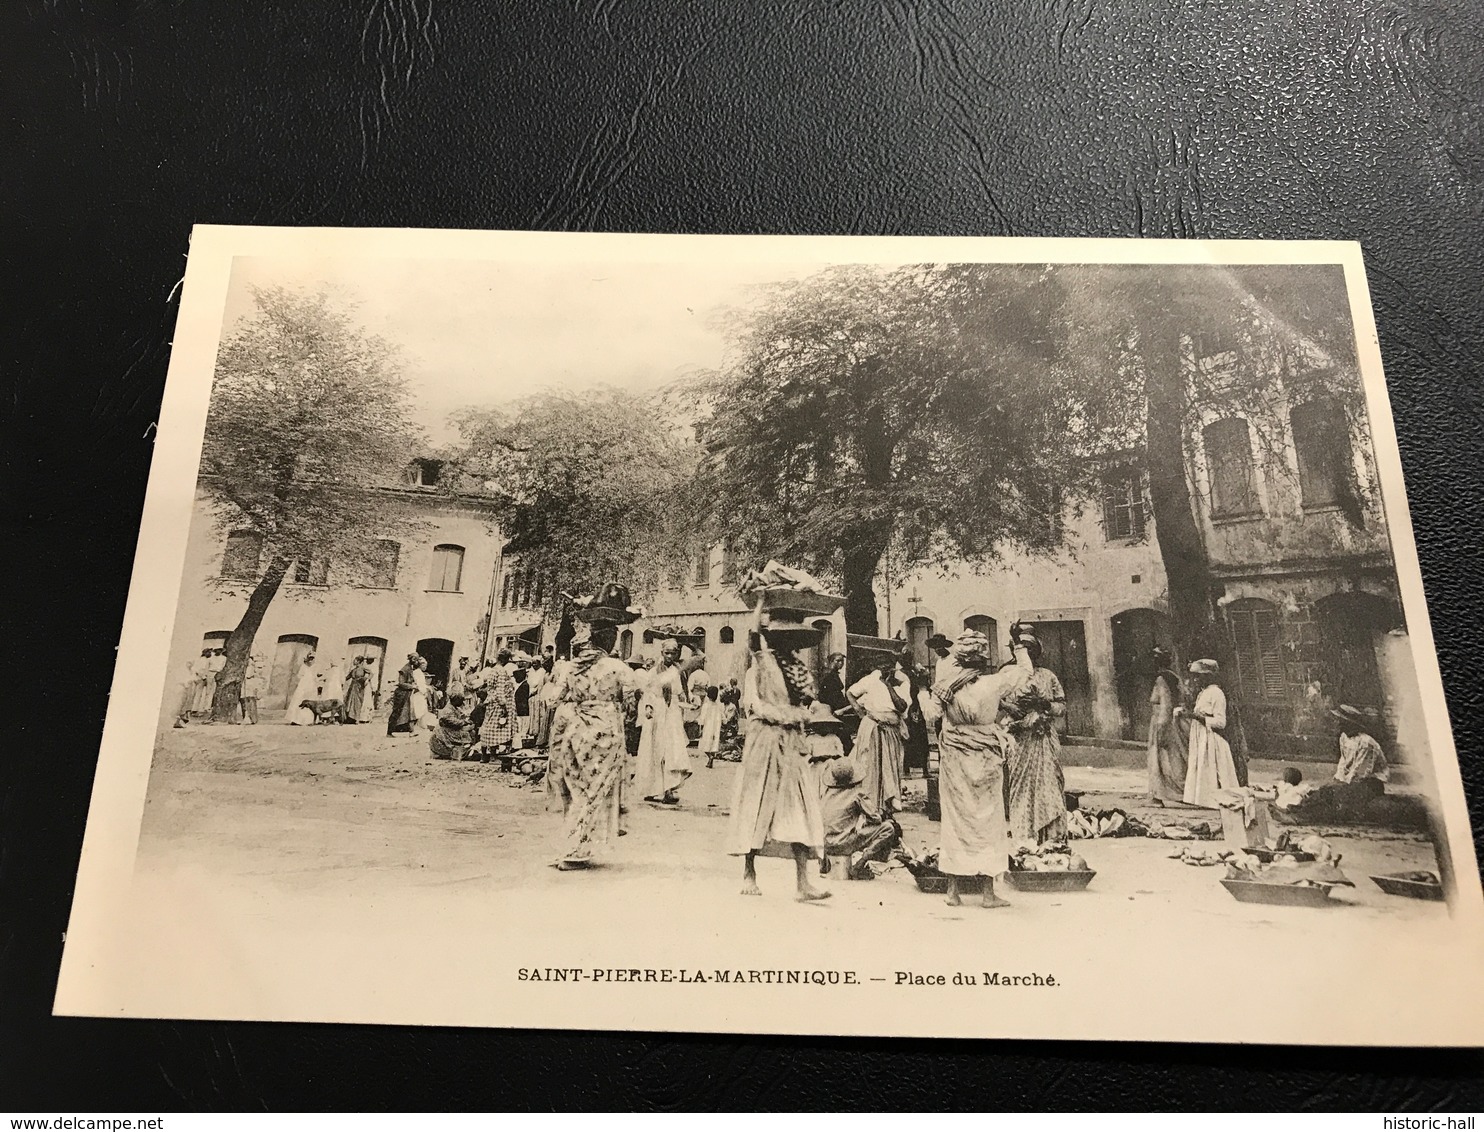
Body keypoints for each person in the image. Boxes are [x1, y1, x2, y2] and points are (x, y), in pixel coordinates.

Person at [727, 600, 833, 901]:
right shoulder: (763, 661)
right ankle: (749, 871)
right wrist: (760, 602)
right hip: (766, 742)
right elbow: (752, 638)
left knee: (800, 806)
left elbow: (804, 704)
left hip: (793, 745)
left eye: (794, 640)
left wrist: (801, 715)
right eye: (784, 639)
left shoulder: (799, 669)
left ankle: (803, 883)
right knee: (758, 804)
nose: (790, 644)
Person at [545, 583, 641, 869]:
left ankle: (568, 845)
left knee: (575, 791)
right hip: (605, 735)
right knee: (594, 792)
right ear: (609, 639)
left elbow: (552, 700)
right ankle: (574, 851)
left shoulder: (570, 667)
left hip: (573, 732)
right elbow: (635, 692)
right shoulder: (617, 668)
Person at [933, 630, 1016, 908]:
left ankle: (952, 892)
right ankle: (988, 895)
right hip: (985, 758)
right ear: (983, 660)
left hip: (955, 758)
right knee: (989, 823)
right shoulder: (994, 683)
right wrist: (1019, 645)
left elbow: (931, 714)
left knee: (955, 822)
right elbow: (1025, 671)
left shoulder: (946, 686)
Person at [1003, 629, 1069, 844]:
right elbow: (996, 701)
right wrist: (1014, 708)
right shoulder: (1008, 674)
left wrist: (1045, 705)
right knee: (1020, 784)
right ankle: (1024, 833)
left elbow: (1062, 706)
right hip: (1020, 737)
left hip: (1043, 737)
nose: (1027, 652)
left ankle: (1051, 834)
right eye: (1023, 648)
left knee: (1050, 781)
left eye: (1031, 648)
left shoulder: (1047, 676)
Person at [845, 654, 910, 816]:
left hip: (891, 729)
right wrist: (859, 711)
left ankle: (888, 803)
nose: (886, 669)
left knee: (891, 764)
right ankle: (870, 804)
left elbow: (901, 706)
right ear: (878, 668)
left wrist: (888, 685)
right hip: (873, 726)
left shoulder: (902, 683)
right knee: (871, 764)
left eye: (890, 667)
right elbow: (850, 693)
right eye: (883, 667)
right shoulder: (870, 680)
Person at [819, 761, 902, 880]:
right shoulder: (857, 793)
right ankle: (860, 864)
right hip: (843, 843)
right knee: (888, 828)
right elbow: (875, 818)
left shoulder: (826, 793)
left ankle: (824, 864)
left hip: (825, 843)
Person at [634, 639, 693, 803]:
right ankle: (653, 788)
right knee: (656, 749)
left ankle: (669, 790)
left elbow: (679, 693)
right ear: (661, 653)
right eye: (666, 652)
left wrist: (688, 703)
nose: (669, 656)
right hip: (658, 711)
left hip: (672, 712)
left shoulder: (675, 672)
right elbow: (649, 692)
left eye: (672, 653)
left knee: (672, 750)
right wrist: (648, 707)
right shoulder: (654, 672)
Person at [1180, 659, 1239, 807]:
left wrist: (1195, 717)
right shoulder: (1203, 693)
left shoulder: (1217, 693)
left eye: (1198, 676)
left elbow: (1220, 722)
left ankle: (1214, 800)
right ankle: (1202, 799)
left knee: (1213, 769)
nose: (1195, 680)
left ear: (1208, 676)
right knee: (1202, 768)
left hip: (1211, 739)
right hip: (1201, 737)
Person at [1147, 646, 1188, 805]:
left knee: (1161, 759)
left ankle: (1164, 794)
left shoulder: (1162, 678)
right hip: (1171, 721)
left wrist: (1161, 727)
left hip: (1163, 720)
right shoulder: (1174, 677)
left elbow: (1166, 704)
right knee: (1173, 758)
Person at [1333, 704, 1391, 784]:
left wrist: (1345, 785)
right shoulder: (1344, 737)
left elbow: (1361, 773)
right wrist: (1339, 778)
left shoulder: (1366, 743)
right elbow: (1343, 761)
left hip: (1369, 782)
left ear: (1348, 723)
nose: (1336, 723)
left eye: (1340, 721)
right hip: (1351, 780)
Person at [477, 659, 518, 758]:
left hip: (492, 702)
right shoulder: (501, 672)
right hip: (499, 705)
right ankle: (492, 755)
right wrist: (503, 706)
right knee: (495, 730)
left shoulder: (492, 670)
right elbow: (500, 692)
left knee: (487, 727)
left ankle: (485, 755)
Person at [430, 693, 477, 760]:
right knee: (468, 734)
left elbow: (460, 716)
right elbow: (453, 721)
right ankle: (463, 751)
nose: (462, 703)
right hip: (446, 730)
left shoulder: (454, 708)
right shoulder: (448, 710)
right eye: (461, 701)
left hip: (451, 728)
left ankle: (466, 749)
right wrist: (465, 722)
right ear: (456, 701)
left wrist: (464, 718)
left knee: (470, 731)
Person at [386, 654, 419, 735]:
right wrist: (412, 686)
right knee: (397, 712)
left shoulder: (410, 668)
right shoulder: (404, 669)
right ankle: (389, 732)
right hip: (401, 694)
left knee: (409, 713)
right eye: (415, 660)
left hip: (407, 694)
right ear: (412, 659)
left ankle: (410, 731)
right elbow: (401, 683)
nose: (416, 662)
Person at [287, 653, 320, 726]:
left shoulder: (315, 667)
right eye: (310, 659)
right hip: (303, 685)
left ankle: (309, 720)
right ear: (307, 659)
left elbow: (316, 677)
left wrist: (316, 681)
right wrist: (303, 680)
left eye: (312, 659)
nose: (311, 661)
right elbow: (299, 676)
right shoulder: (303, 667)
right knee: (299, 700)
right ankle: (296, 719)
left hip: (311, 685)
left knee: (310, 701)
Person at [698, 680, 725, 769]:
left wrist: (700, 725)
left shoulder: (706, 706)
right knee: (714, 743)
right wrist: (724, 721)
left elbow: (703, 717)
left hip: (708, 726)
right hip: (716, 727)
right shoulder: (718, 706)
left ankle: (710, 757)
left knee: (705, 743)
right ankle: (711, 760)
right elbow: (723, 716)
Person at [342, 656, 373, 724]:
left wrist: (367, 680)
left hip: (359, 687)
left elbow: (371, 673)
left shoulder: (363, 668)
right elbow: (347, 677)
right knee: (350, 701)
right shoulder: (353, 670)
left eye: (355, 660)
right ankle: (350, 718)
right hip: (352, 687)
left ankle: (357, 718)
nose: (354, 661)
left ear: (359, 661)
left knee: (358, 702)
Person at [239, 653, 265, 725]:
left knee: (249, 699)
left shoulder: (250, 663)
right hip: (245, 682)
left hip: (249, 682)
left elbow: (250, 674)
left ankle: (251, 717)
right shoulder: (244, 662)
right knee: (244, 699)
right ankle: (247, 716)